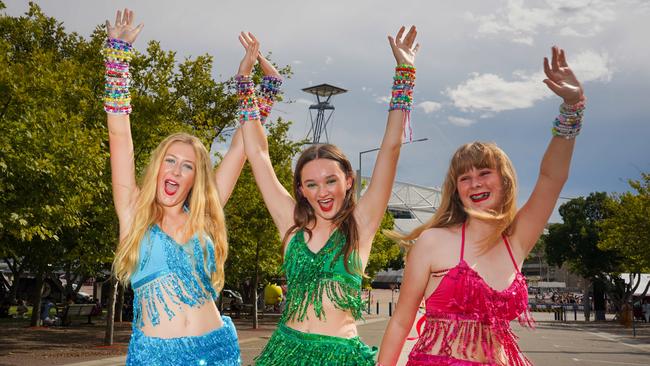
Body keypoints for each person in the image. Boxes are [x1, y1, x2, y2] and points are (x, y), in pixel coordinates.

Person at [377, 46, 585, 366]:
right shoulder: (433, 242)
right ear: (456, 190)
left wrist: (572, 107)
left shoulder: (516, 240)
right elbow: (402, 322)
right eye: (465, 177)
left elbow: (551, 178)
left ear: (504, 182)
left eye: (484, 173)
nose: (475, 182)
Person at [239, 26, 419, 365]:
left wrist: (405, 74)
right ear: (301, 190)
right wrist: (244, 81)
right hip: (284, 352)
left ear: (349, 180)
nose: (322, 191)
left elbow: (391, 150)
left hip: (340, 356)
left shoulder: (361, 225)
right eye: (311, 184)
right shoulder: (290, 224)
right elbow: (258, 155)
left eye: (331, 180)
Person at [104, 9, 268, 365]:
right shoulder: (133, 213)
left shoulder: (204, 215)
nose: (176, 170)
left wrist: (252, 86)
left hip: (217, 350)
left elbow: (242, 149)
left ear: (195, 178)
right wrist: (118, 55)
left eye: (187, 165)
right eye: (170, 160)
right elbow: (120, 137)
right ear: (158, 167)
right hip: (154, 355)